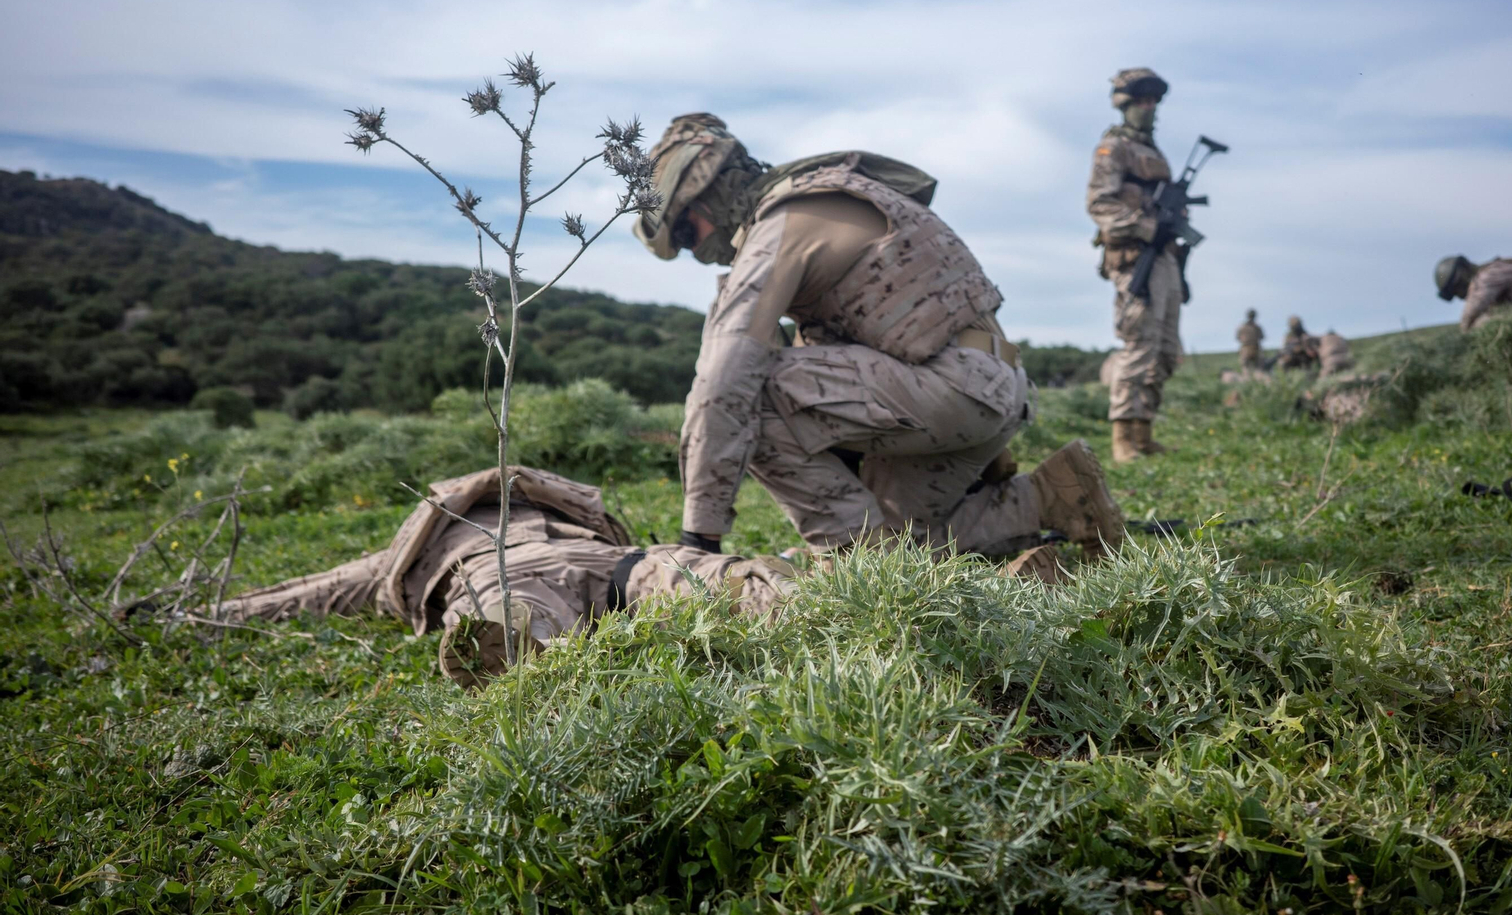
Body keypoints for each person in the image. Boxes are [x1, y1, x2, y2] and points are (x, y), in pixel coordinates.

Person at [632, 113, 1124, 560]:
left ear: (707, 194)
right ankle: (1049, 500)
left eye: (687, 234)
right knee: (909, 543)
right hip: (991, 393)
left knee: (751, 388)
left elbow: (722, 382)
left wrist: (698, 537)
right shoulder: (834, 195)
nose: (695, 251)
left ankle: (862, 568)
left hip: (952, 394)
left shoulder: (782, 222)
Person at [218, 466, 801, 689]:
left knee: (514, 608)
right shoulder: (548, 506)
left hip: (521, 569)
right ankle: (785, 589)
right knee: (691, 573)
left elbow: (311, 593)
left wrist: (217, 615)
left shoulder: (410, 551)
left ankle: (515, 646)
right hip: (604, 562)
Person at [1086, 68, 1183, 463]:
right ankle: (1123, 438)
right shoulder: (1113, 148)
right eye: (1142, 100)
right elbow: (1099, 204)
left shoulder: (1153, 151)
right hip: (1134, 257)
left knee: (1163, 350)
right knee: (1138, 342)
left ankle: (1143, 434)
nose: (1150, 107)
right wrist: (1146, 228)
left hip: (1164, 258)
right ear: (1124, 103)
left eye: (1154, 101)